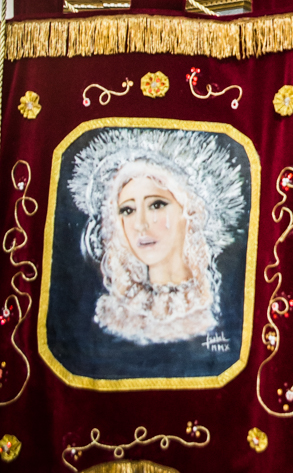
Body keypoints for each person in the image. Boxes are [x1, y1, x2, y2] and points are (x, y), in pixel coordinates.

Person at [68, 126, 247, 345]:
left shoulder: (222, 311)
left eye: (157, 205)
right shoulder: (112, 317)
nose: (140, 225)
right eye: (127, 210)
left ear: (190, 212)